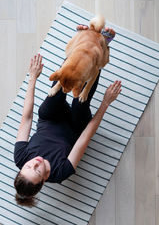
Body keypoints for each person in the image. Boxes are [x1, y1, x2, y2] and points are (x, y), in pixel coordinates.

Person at [13, 25, 121, 207]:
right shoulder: (61, 172)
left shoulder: (20, 156)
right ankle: (101, 46)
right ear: (44, 179)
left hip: (51, 118)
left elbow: (27, 118)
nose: (35, 163)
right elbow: (85, 137)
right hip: (75, 126)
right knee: (80, 101)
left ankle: (81, 43)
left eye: (28, 166)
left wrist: (32, 77)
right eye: (38, 171)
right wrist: (105, 103)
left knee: (54, 95)